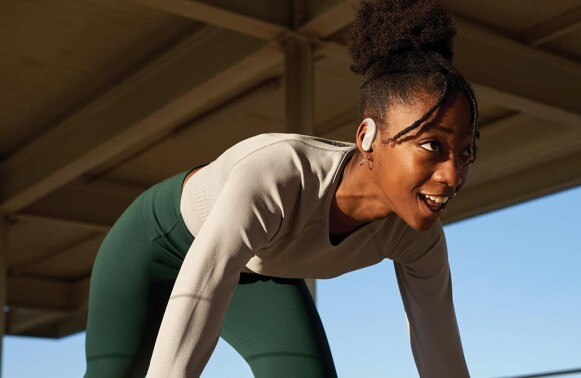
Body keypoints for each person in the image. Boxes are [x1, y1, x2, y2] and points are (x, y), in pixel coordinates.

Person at [84, 0, 479, 376]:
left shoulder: (417, 239)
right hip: (157, 244)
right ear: (367, 137)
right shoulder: (279, 173)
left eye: (466, 152)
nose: (453, 175)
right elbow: (204, 289)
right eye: (432, 145)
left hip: (255, 267)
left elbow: (441, 358)